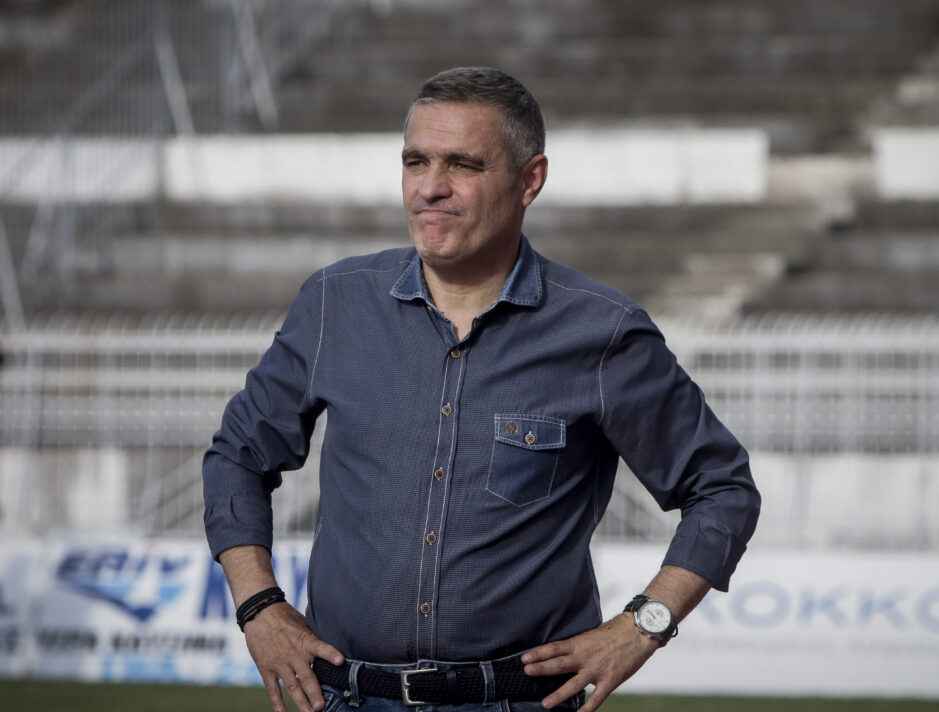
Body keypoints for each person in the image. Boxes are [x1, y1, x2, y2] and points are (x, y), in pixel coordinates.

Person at [203, 67, 759, 712]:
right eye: (415, 162)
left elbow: (722, 489)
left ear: (530, 180)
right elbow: (238, 453)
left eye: (463, 165)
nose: (430, 187)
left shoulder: (602, 332)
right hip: (344, 697)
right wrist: (259, 606)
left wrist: (642, 627)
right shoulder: (335, 302)